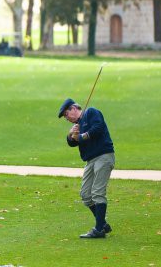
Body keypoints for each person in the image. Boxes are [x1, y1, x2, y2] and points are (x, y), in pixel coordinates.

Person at [58, 98, 115, 239]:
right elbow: (72, 143)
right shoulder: (78, 125)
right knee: (86, 195)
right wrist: (71, 135)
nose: (67, 118)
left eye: (66, 114)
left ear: (73, 108)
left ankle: (99, 229)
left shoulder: (91, 112)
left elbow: (98, 128)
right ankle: (103, 224)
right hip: (90, 160)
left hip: (103, 156)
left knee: (97, 192)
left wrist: (82, 136)